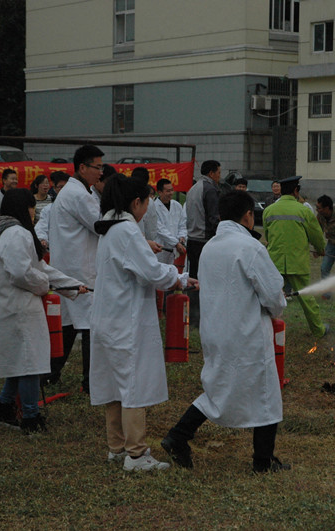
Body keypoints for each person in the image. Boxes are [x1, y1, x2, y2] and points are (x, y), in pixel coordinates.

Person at [162, 190, 289, 473]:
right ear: (248, 216)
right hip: (247, 333)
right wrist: (278, 305)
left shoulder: (211, 247)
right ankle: (262, 462)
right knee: (266, 394)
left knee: (217, 390)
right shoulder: (251, 248)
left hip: (216, 330)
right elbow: (273, 296)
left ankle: (178, 436)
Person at [90, 173, 196, 472]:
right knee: (132, 383)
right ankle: (136, 455)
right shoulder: (126, 230)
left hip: (108, 317)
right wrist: (180, 278)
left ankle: (117, 448)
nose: (148, 208)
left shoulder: (111, 226)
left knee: (114, 385)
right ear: (136, 202)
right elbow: (152, 272)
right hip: (126, 320)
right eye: (147, 202)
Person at [0, 189, 87, 434]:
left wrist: (72, 285)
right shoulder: (17, 233)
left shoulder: (12, 233)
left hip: (14, 304)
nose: (34, 213)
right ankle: (31, 417)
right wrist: (45, 285)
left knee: (21, 361)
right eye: (32, 208)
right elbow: (22, 273)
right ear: (24, 208)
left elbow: (41, 269)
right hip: (17, 306)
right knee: (30, 362)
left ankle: (2, 408)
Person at [43, 145, 104, 392]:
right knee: (89, 324)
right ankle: (90, 382)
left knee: (68, 324)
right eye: (97, 167)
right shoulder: (79, 195)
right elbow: (100, 225)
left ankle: (50, 373)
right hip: (80, 269)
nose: (100, 172)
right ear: (82, 167)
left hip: (69, 265)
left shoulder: (74, 191)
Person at [262, 176, 328, 338]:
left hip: (275, 262)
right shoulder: (303, 211)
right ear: (296, 191)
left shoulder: (269, 210)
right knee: (307, 299)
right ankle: (318, 330)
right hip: (297, 263)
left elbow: (268, 236)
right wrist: (320, 249)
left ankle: (264, 330)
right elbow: (316, 235)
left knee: (269, 297)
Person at [185, 159, 221, 326]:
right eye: (218, 172)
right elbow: (214, 218)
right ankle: (204, 316)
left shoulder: (193, 188)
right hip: (204, 240)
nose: (219, 176)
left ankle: (193, 316)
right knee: (207, 279)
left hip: (192, 239)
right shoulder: (210, 189)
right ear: (211, 173)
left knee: (194, 279)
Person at [153, 178, 187, 265]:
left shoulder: (177, 205)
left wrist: (182, 237)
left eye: (172, 190)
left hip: (175, 249)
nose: (171, 193)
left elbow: (182, 224)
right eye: (168, 191)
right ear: (160, 192)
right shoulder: (154, 207)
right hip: (161, 248)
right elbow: (160, 229)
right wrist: (175, 243)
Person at [34, 171, 69, 249]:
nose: (64, 190)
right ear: (55, 188)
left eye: (66, 187)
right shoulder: (48, 209)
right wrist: (42, 239)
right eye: (60, 187)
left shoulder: (77, 206)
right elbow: (41, 227)